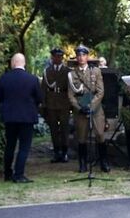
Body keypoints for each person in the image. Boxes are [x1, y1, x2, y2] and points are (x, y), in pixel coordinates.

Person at [0, 53, 43, 183]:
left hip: (9, 117)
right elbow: (39, 98)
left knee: (9, 146)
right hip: (27, 117)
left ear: (13, 63)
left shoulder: (4, 78)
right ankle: (19, 174)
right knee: (24, 147)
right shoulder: (32, 79)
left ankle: (7, 173)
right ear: (24, 63)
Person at [67, 45, 106, 173]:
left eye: (83, 55)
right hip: (81, 109)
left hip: (96, 107)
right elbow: (70, 96)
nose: (81, 58)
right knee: (81, 137)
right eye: (78, 55)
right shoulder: (72, 74)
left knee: (100, 134)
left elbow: (100, 92)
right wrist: (79, 108)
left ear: (87, 57)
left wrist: (91, 106)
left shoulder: (95, 71)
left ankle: (103, 162)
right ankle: (82, 164)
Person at [41, 47, 71, 163]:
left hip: (64, 103)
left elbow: (70, 89)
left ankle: (64, 152)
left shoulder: (68, 71)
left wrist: (71, 104)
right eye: (56, 56)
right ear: (52, 57)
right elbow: (43, 88)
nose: (58, 58)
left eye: (60, 56)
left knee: (64, 128)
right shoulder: (47, 71)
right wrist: (43, 104)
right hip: (51, 103)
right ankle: (56, 152)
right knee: (53, 129)